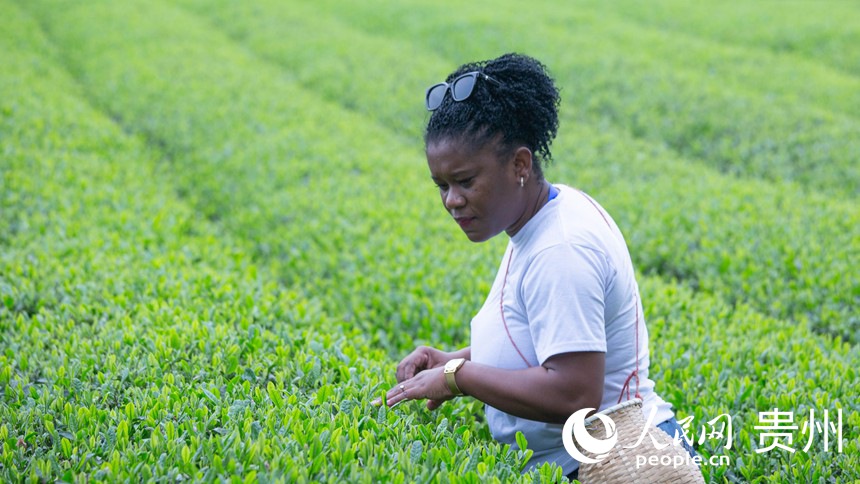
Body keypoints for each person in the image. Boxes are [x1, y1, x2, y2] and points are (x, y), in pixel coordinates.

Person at [375, 53, 694, 479]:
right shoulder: (543, 216)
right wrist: (453, 360)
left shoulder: (560, 250)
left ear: (520, 165)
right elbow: (548, 337)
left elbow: (572, 394)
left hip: (616, 466)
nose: (452, 200)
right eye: (442, 185)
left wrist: (459, 377)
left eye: (466, 181)